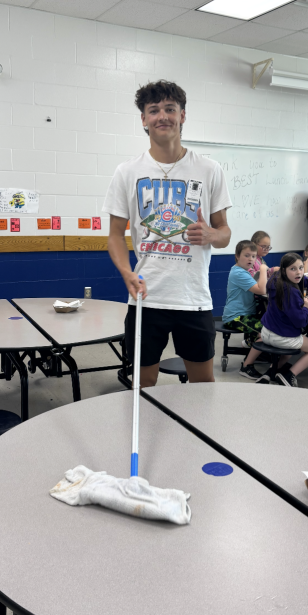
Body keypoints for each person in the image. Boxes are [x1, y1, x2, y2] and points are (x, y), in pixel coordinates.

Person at [104, 79, 231, 388]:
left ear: (182, 115)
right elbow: (115, 235)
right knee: (142, 384)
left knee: (203, 385)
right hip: (146, 298)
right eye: (154, 110)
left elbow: (225, 234)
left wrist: (211, 235)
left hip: (193, 299)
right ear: (144, 119)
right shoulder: (127, 172)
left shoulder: (209, 169)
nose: (163, 116)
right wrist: (126, 272)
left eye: (170, 109)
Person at [240, 253, 308, 386]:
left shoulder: (275, 279)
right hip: (282, 337)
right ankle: (289, 375)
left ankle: (270, 373)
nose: (299, 272)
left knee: (289, 349)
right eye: (293, 269)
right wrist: (306, 308)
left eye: (301, 268)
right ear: (284, 270)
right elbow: (301, 322)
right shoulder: (291, 293)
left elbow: (303, 279)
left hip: (266, 333)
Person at [223, 241, 269, 357]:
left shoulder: (243, 271)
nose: (251, 259)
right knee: (268, 333)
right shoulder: (239, 273)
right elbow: (262, 290)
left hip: (246, 314)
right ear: (237, 256)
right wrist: (263, 270)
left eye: (253, 256)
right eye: (247, 255)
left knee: (271, 325)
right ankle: (248, 363)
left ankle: (251, 343)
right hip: (236, 317)